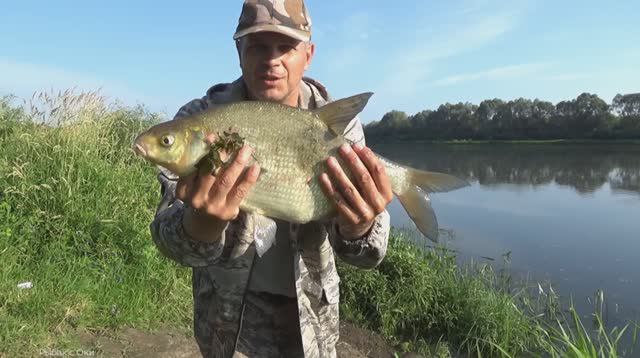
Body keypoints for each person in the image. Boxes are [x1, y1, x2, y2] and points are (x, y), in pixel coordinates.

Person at [149, 1, 392, 357]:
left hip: (311, 321)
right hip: (227, 323)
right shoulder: (199, 121)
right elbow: (167, 240)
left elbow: (371, 255)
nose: (271, 59)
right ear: (239, 51)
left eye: (286, 47)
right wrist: (199, 225)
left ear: (308, 55)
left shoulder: (338, 126)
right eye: (258, 45)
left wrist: (359, 228)